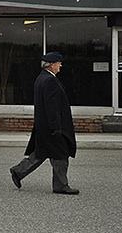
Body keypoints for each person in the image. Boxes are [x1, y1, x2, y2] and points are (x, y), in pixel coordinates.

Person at [10, 52, 80, 195]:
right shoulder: (50, 81)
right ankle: (61, 185)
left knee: (42, 152)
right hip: (51, 126)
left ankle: (18, 171)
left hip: (44, 125)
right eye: (59, 63)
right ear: (52, 65)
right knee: (61, 155)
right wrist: (56, 127)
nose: (60, 65)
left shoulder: (41, 78)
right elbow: (52, 106)